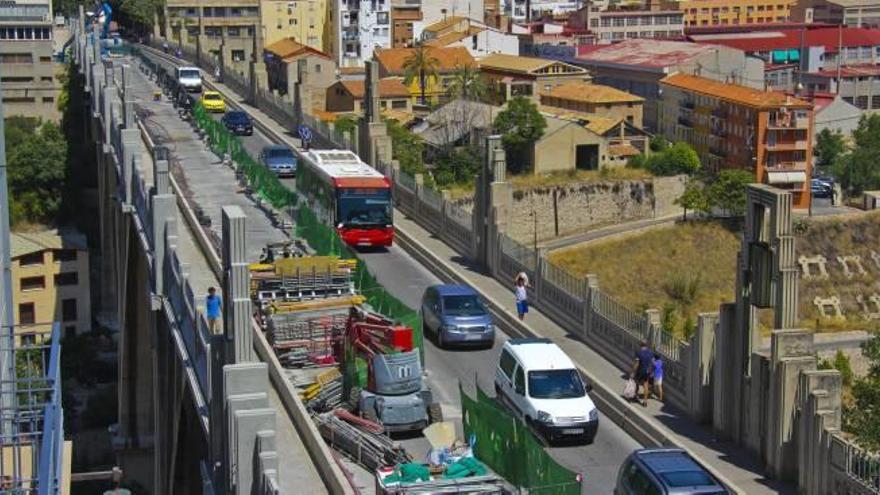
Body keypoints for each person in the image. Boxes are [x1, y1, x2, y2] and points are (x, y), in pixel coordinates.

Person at [630, 341, 654, 407]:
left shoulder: (638, 353)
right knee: (645, 385)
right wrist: (651, 371)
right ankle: (645, 401)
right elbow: (653, 363)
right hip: (647, 372)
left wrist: (633, 372)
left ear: (640, 345)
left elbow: (637, 364)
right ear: (646, 345)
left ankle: (635, 396)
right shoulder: (651, 353)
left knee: (636, 383)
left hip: (640, 371)